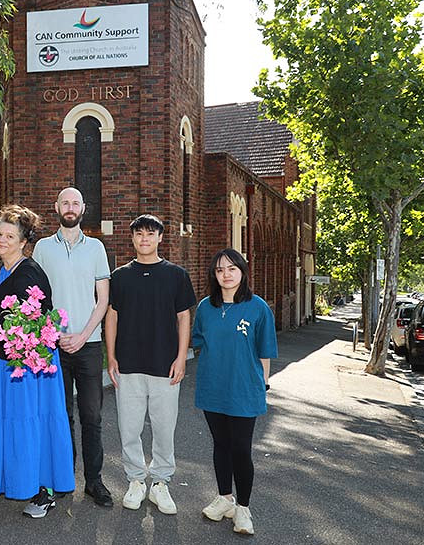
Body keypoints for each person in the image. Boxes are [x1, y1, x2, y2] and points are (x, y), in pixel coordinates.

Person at [0, 204, 75, 518]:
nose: (2, 240)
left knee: (34, 423)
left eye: (10, 236)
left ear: (23, 242)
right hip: (3, 364)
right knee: (10, 422)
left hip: (28, 368)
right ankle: (17, 481)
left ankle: (45, 491)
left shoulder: (30, 272)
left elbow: (41, 323)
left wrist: (25, 354)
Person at [105, 214, 196, 515]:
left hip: (165, 365)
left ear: (160, 237)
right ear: (132, 238)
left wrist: (182, 357)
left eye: (150, 233)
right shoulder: (119, 276)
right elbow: (112, 316)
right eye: (139, 234)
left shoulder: (176, 275)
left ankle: (160, 483)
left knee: (164, 427)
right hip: (128, 364)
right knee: (128, 428)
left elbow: (184, 317)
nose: (144, 239)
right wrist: (111, 356)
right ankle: (135, 480)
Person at [31, 187, 113, 507]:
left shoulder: (95, 248)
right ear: (56, 207)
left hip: (89, 345)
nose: (70, 207)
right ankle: (64, 477)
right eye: (64, 202)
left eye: (75, 202)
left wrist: (81, 335)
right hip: (54, 346)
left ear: (83, 207)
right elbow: (35, 298)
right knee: (60, 415)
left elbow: (103, 299)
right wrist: (52, 334)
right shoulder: (42, 248)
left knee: (92, 416)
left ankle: (94, 481)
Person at [191, 248, 277, 536]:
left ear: (242, 271)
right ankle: (224, 498)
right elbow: (196, 341)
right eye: (219, 270)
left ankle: (243, 508)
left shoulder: (257, 308)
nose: (225, 275)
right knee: (220, 445)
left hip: (244, 389)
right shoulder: (205, 307)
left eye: (231, 269)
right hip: (212, 386)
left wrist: (262, 385)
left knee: (241, 449)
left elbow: (265, 352)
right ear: (213, 275)